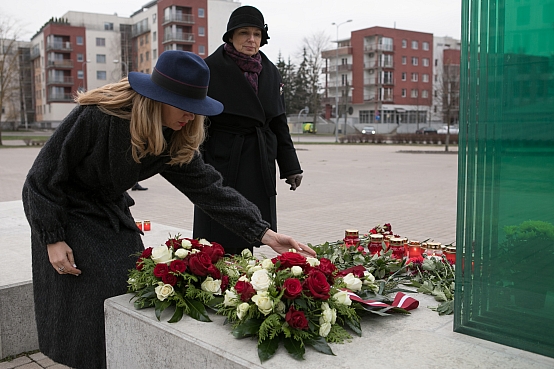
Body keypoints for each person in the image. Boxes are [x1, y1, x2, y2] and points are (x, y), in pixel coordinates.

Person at [22, 50, 315, 369]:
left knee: (128, 279)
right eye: (186, 107)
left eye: (197, 108)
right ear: (157, 97)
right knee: (91, 293)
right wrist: (52, 237)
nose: (192, 116)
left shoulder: (174, 134)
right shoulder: (101, 114)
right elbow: (41, 177)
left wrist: (264, 232)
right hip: (62, 208)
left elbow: (210, 189)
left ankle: (116, 357)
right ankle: (87, 360)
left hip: (108, 209)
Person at [194, 5, 303, 254]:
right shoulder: (209, 69)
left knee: (252, 230)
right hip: (221, 160)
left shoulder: (271, 72)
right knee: (218, 233)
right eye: (244, 33)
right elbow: (195, 121)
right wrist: (197, 163)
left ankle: (245, 278)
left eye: (257, 34)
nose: (251, 39)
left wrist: (290, 166)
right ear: (230, 36)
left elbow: (278, 122)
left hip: (258, 158)